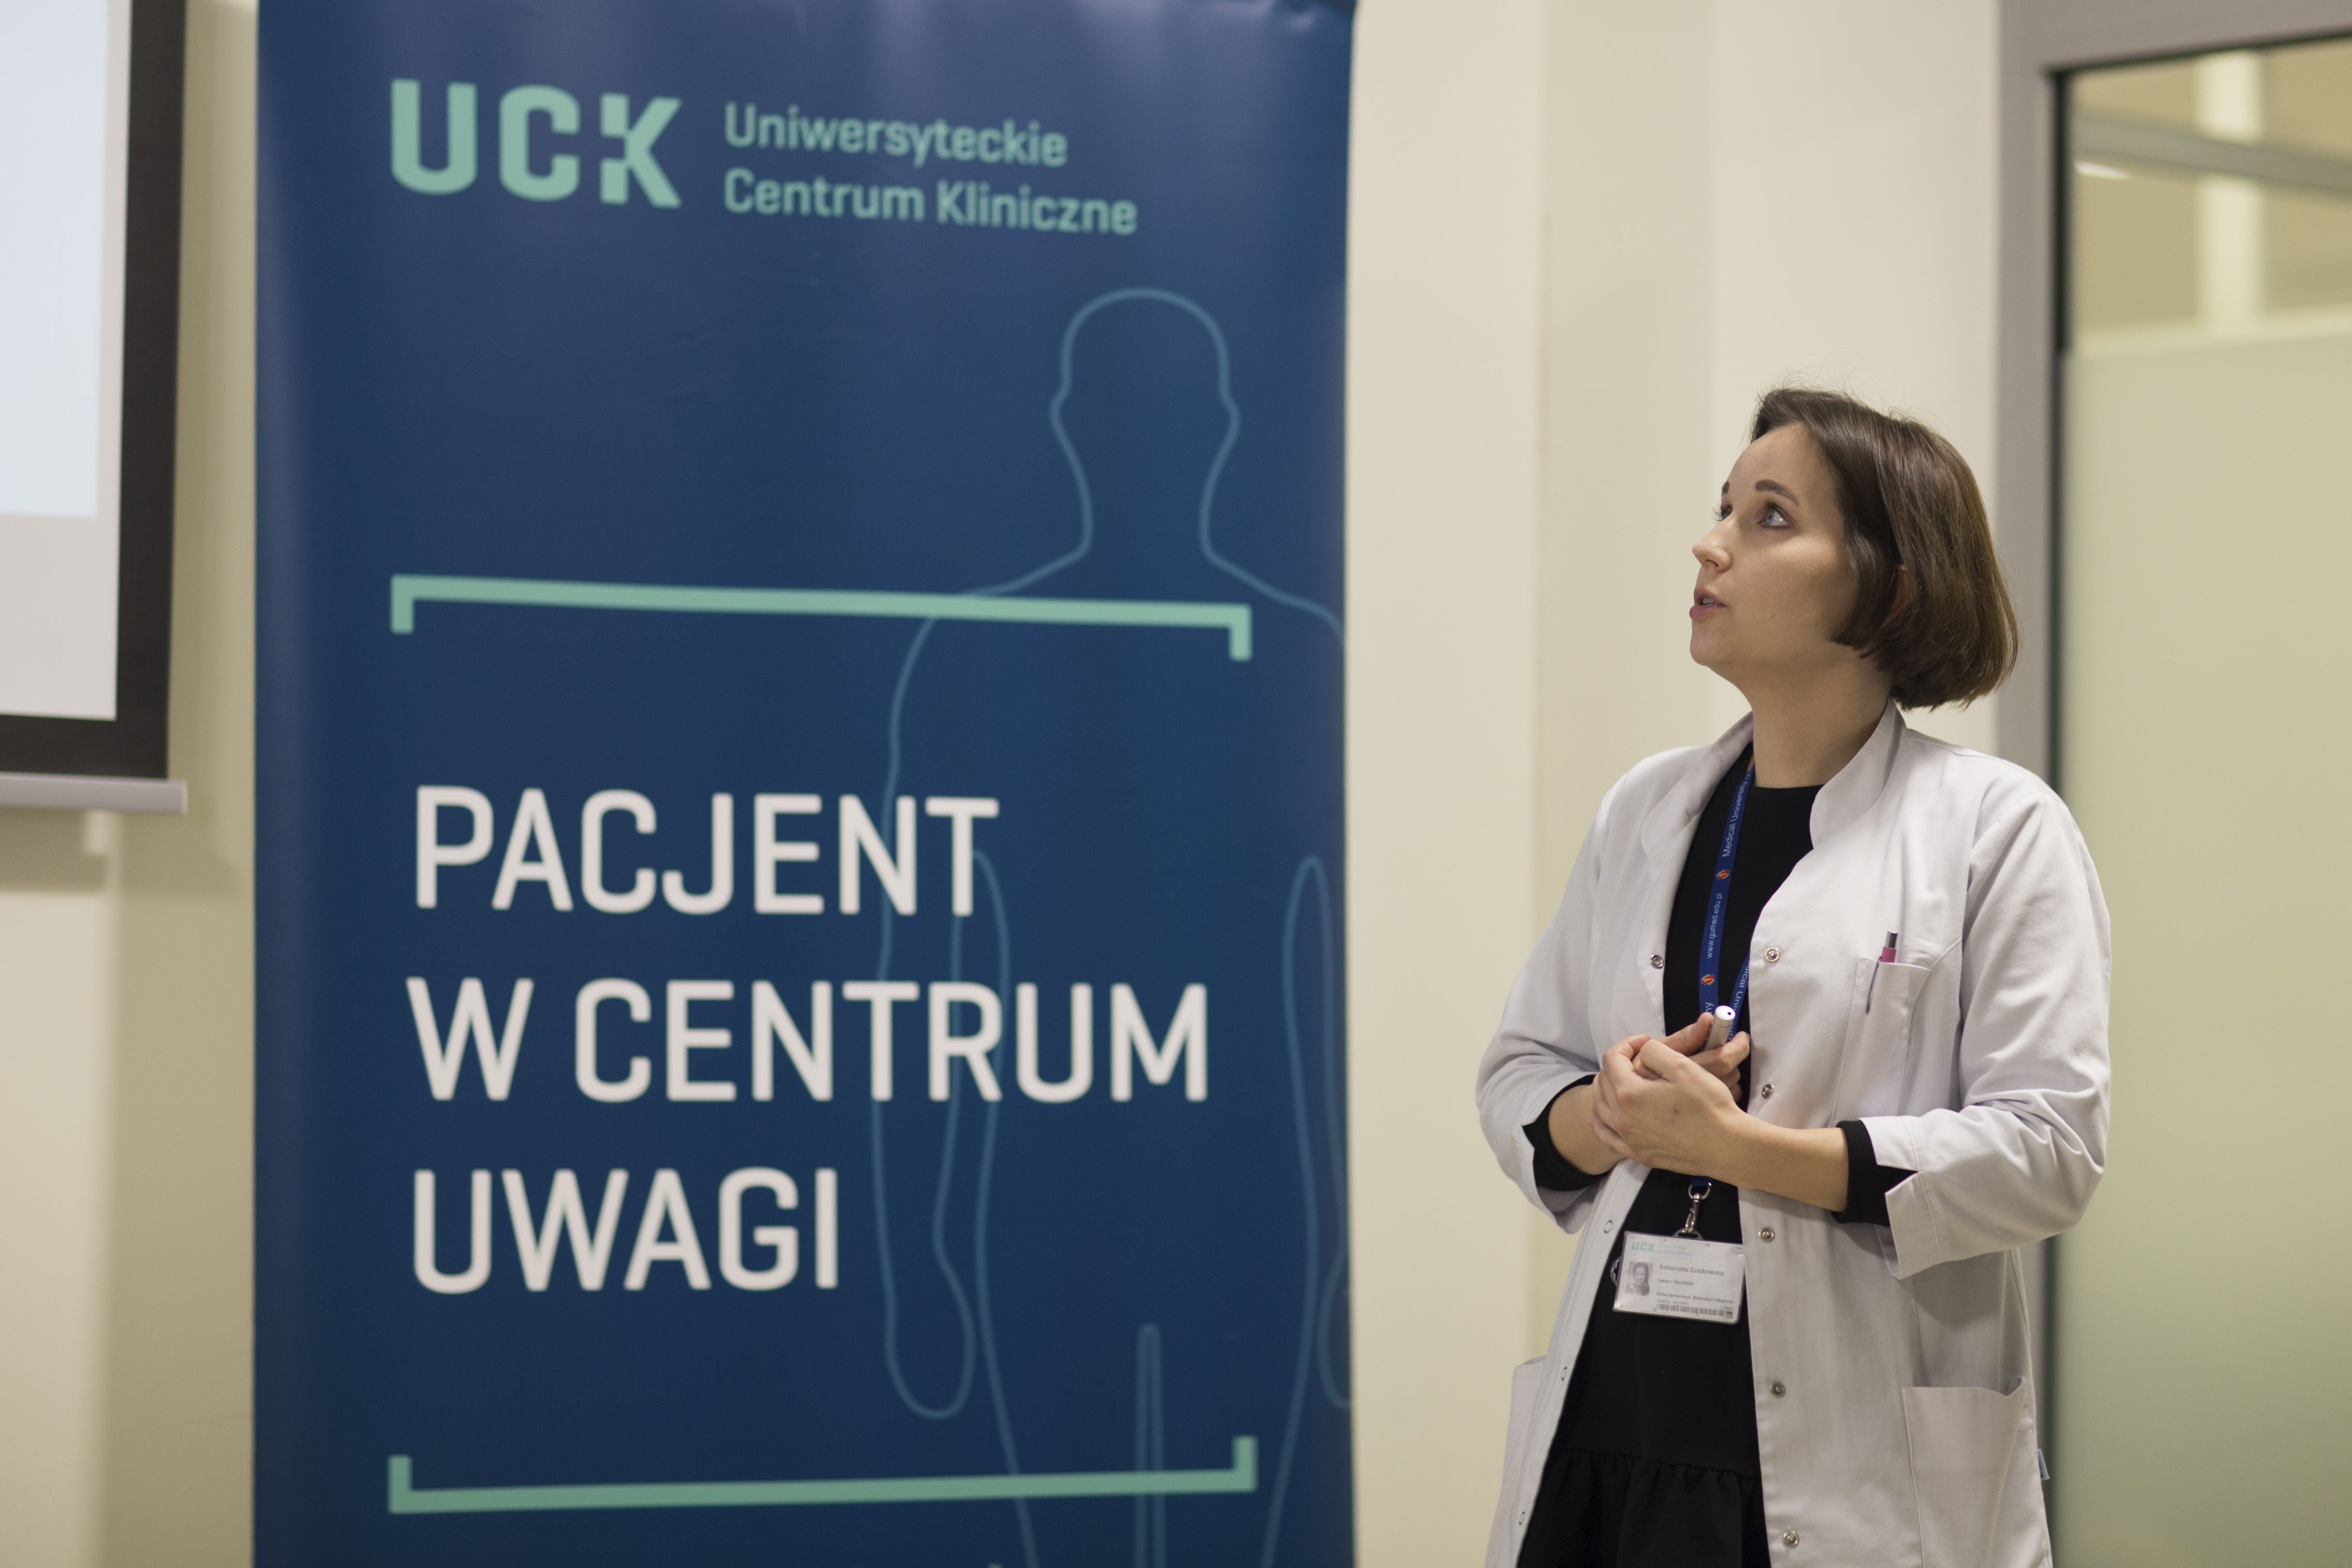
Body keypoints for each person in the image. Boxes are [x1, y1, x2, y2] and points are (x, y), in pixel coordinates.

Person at [1477, 388, 2109, 1568]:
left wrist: (1737, 1150)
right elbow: (1521, 1067)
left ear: (1890, 588)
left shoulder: (1995, 826)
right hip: (1616, 1421)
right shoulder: (1648, 807)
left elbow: (2047, 1152)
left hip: (1858, 1463)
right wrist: (1606, 1112)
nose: (1710, 544)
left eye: (1769, 517)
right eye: (1724, 508)